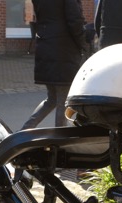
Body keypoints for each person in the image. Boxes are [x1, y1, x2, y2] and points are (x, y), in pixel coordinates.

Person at [21, 0, 86, 129]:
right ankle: (60, 137)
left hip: (45, 46)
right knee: (63, 101)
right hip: (63, 50)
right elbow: (75, 21)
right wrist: (83, 42)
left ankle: (25, 130)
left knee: (52, 99)